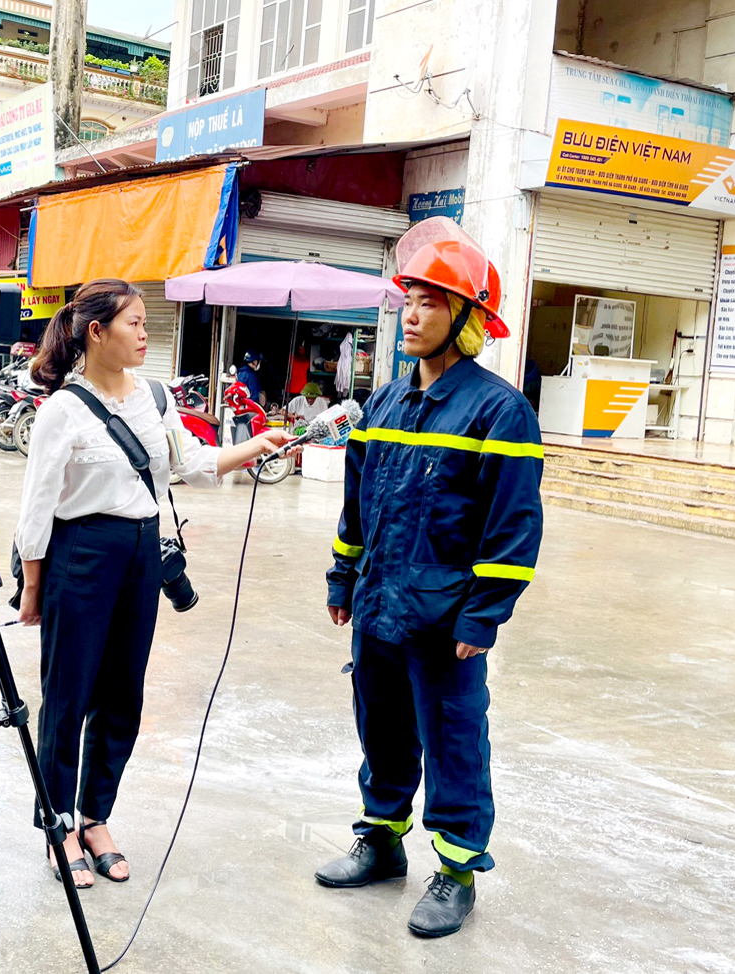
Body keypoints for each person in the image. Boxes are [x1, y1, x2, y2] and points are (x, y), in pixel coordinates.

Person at [15, 279, 293, 889]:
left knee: (123, 695)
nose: (145, 334)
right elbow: (37, 505)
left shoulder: (156, 399)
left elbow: (189, 463)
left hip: (141, 551)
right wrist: (32, 582)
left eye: (146, 323)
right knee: (68, 695)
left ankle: (96, 818)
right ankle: (58, 822)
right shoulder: (62, 409)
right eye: (135, 323)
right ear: (97, 332)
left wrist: (253, 447)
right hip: (79, 554)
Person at [318, 221, 543, 938]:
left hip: (444, 620)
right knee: (380, 731)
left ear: (467, 319)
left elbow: (512, 529)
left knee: (450, 740)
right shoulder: (383, 405)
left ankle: (454, 870)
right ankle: (381, 843)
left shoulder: (498, 410)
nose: (410, 316)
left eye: (430, 303)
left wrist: (483, 617)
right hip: (379, 605)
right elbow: (356, 507)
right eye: (406, 300)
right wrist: (340, 578)